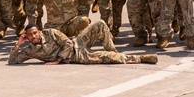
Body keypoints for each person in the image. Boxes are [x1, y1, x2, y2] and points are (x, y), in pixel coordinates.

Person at [8, 23, 157, 65]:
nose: (34, 36)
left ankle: (115, 50)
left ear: (39, 32)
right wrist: (18, 45)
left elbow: (67, 43)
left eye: (35, 33)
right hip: (77, 56)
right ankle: (142, 58)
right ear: (26, 36)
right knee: (106, 57)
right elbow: (13, 61)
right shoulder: (30, 50)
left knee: (99, 24)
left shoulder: (50, 32)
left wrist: (58, 60)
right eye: (30, 35)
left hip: (76, 43)